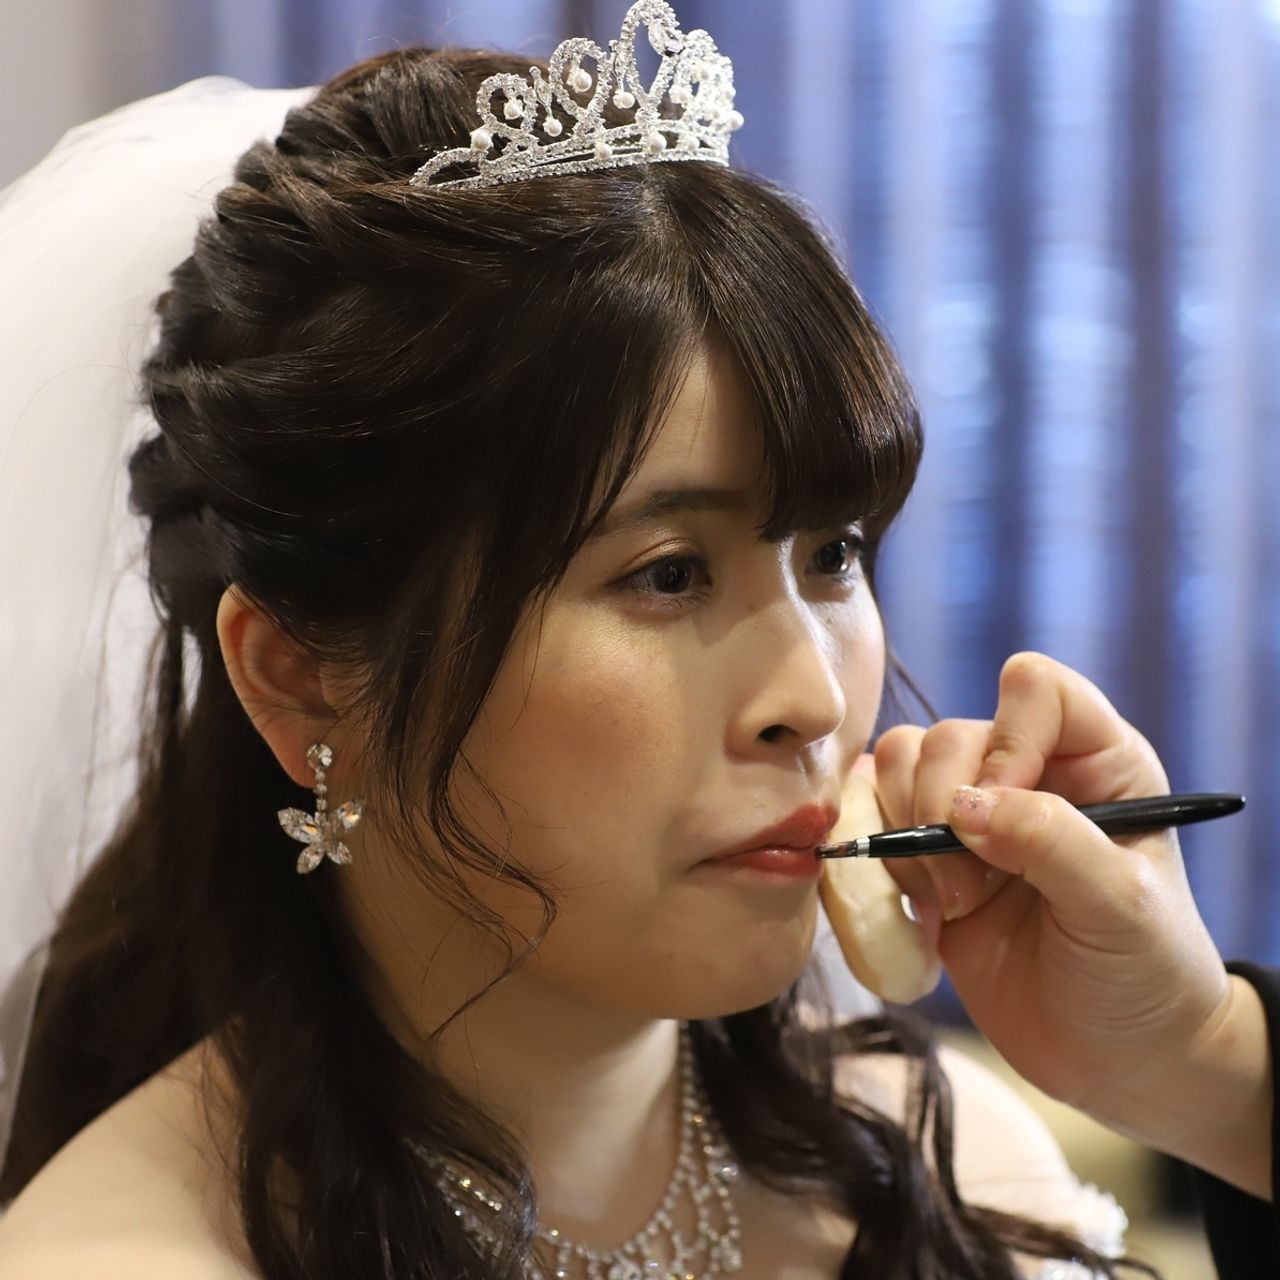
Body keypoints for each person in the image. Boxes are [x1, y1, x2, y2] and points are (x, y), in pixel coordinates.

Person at [0, 3, 1264, 1277]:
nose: (814, 697)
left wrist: (1194, 1058)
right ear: (304, 675)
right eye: (666, 574)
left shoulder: (952, 1163)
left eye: (831, 554)